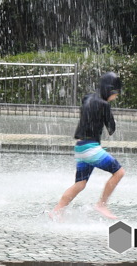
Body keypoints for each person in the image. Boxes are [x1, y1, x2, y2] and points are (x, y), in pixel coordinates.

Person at [50, 72, 124, 221]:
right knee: (119, 172)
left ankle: (57, 211)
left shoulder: (87, 98)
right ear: (110, 91)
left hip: (80, 147)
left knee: (80, 183)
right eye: (116, 94)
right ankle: (101, 204)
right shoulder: (104, 105)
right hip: (91, 149)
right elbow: (111, 129)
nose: (116, 97)